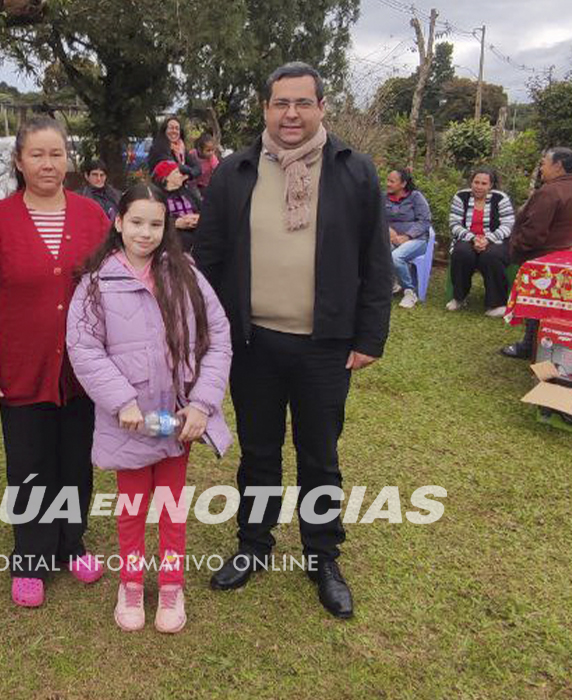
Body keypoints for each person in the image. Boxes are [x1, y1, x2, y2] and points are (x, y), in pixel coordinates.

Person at [194, 61, 391, 620]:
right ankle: (254, 545)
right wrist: (203, 335)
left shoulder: (354, 171)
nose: (291, 114)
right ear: (265, 108)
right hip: (252, 342)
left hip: (326, 345)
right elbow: (207, 260)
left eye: (303, 103)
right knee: (258, 452)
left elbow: (376, 262)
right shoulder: (235, 173)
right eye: (281, 103)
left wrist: (370, 334)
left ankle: (322, 555)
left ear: (322, 107)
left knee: (320, 456)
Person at [67, 183, 233, 633]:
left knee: (172, 507)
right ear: (118, 223)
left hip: (178, 421)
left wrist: (201, 404)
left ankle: (173, 584)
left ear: (167, 226)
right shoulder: (96, 285)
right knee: (132, 506)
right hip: (131, 423)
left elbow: (218, 338)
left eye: (156, 224)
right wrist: (121, 401)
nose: (146, 232)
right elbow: (84, 349)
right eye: (136, 222)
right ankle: (133, 583)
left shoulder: (187, 275)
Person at [0, 117, 111, 608]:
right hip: (21, 371)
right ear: (19, 161)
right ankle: (31, 556)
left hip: (82, 374)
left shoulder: (93, 217)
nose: (49, 164)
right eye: (37, 155)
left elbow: (117, 285)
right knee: (29, 466)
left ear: (68, 160)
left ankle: (72, 544)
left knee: (75, 464)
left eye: (57, 154)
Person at [501, 147, 572, 359]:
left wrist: (517, 246)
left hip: (543, 257)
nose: (541, 168)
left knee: (537, 304)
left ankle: (529, 345)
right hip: (562, 255)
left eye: (544, 163)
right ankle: (539, 344)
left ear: (558, 166)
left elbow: (535, 231)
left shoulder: (551, 192)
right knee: (547, 304)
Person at [447, 168, 515, 316]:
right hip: (467, 238)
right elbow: (454, 224)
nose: (479, 186)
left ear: (490, 185)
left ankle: (496, 304)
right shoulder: (461, 197)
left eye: (484, 183)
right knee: (461, 253)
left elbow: (508, 224)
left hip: (495, 240)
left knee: (491, 256)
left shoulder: (501, 198)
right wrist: (472, 238)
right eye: (476, 182)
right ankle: (459, 297)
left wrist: (487, 239)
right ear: (471, 182)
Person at [385, 167, 432, 309]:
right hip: (390, 239)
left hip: (416, 240)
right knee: (377, 253)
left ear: (403, 184)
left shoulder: (415, 197)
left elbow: (425, 220)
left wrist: (407, 236)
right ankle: (390, 284)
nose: (387, 184)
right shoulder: (382, 197)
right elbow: (375, 218)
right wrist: (387, 229)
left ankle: (409, 292)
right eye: (387, 180)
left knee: (396, 257)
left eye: (392, 181)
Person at [152, 160, 201, 250]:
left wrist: (198, 217)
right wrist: (175, 223)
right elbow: (154, 220)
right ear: (166, 178)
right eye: (176, 172)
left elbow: (203, 209)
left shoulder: (188, 191)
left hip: (197, 235)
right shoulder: (157, 197)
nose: (181, 175)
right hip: (174, 240)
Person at [145, 115, 201, 179]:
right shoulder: (158, 147)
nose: (174, 131)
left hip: (179, 184)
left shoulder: (181, 149)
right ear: (164, 131)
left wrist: (189, 175)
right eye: (171, 128)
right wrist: (190, 171)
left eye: (177, 128)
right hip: (160, 186)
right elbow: (173, 166)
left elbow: (197, 167)